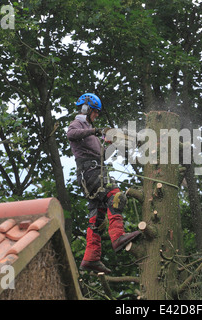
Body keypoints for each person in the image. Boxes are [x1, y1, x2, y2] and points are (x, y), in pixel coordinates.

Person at [67, 93, 141, 274]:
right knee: (116, 196)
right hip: (90, 172)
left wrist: (119, 143)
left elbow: (101, 154)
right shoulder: (78, 125)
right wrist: (96, 131)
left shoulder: (90, 132)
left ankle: (91, 258)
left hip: (93, 172)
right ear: (86, 109)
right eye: (95, 112)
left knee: (97, 216)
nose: (96, 115)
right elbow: (71, 134)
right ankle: (118, 237)